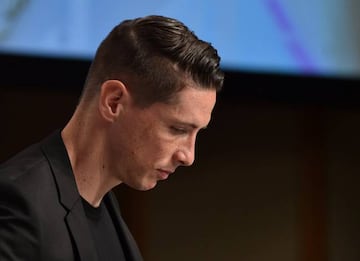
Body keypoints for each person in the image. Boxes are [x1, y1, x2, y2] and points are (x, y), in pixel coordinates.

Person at [0, 15, 224, 261]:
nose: (188, 156)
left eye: (196, 133)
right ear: (113, 101)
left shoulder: (109, 211)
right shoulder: (17, 202)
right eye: (178, 129)